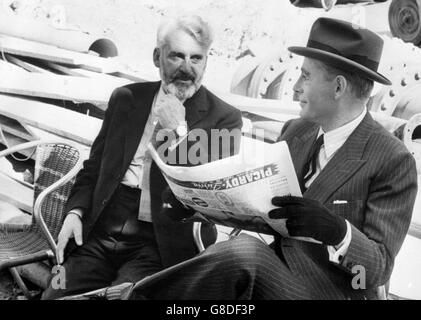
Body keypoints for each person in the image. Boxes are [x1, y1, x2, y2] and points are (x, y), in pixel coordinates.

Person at [126, 17, 417, 300]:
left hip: (334, 290)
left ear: (338, 87)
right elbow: (263, 209)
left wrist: (338, 231)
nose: (295, 88)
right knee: (240, 257)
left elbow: (378, 269)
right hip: (276, 274)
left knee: (244, 254)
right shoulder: (297, 132)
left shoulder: (393, 159)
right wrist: (196, 206)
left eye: (305, 76)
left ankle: (127, 296)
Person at [42, 14, 242, 299]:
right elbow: (94, 166)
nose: (187, 68)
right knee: (55, 293)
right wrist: (75, 212)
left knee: (125, 298)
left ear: (206, 62)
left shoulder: (225, 118)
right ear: (157, 57)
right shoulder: (126, 98)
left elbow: (210, 192)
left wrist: (179, 130)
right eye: (176, 56)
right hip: (100, 230)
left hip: (161, 242)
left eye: (196, 59)